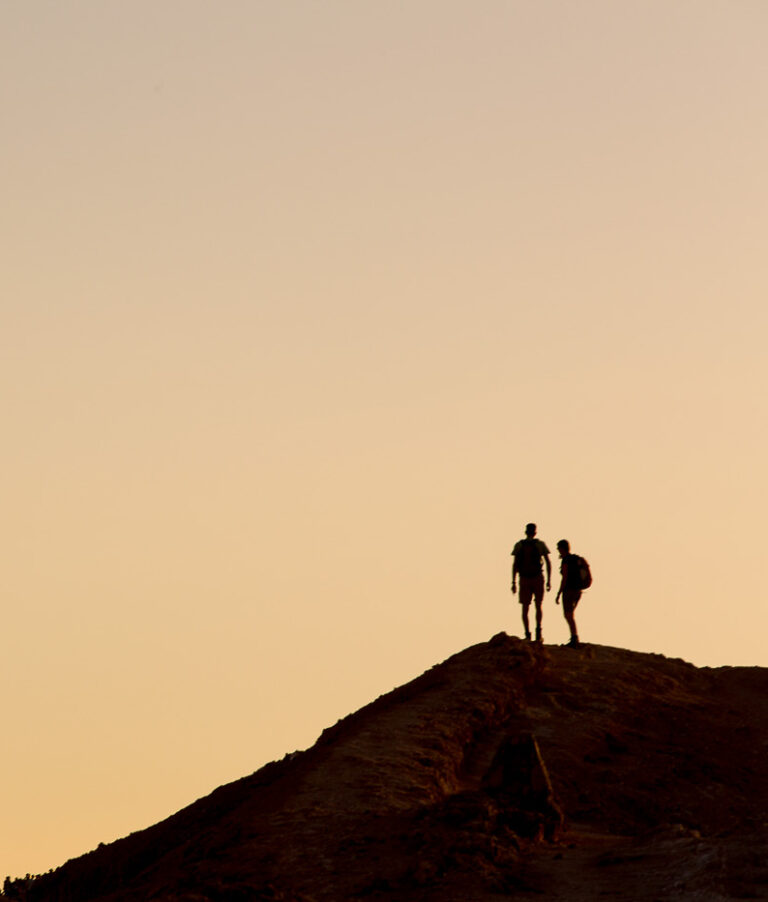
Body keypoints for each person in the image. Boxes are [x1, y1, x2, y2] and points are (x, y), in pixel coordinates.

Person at [511, 523, 551, 642]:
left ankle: (527, 634)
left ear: (525, 532)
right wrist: (549, 580)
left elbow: (515, 564)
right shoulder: (540, 545)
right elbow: (548, 562)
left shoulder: (519, 545)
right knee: (538, 605)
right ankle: (539, 632)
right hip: (538, 577)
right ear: (535, 532)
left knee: (525, 608)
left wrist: (513, 582)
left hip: (524, 579)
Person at [555, 539, 582, 647]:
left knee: (568, 615)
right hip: (578, 591)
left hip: (569, 590)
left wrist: (559, 593)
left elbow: (565, 578)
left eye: (558, 548)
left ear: (562, 549)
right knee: (570, 615)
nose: (558, 550)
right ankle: (574, 637)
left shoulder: (566, 560)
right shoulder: (575, 559)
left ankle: (574, 638)